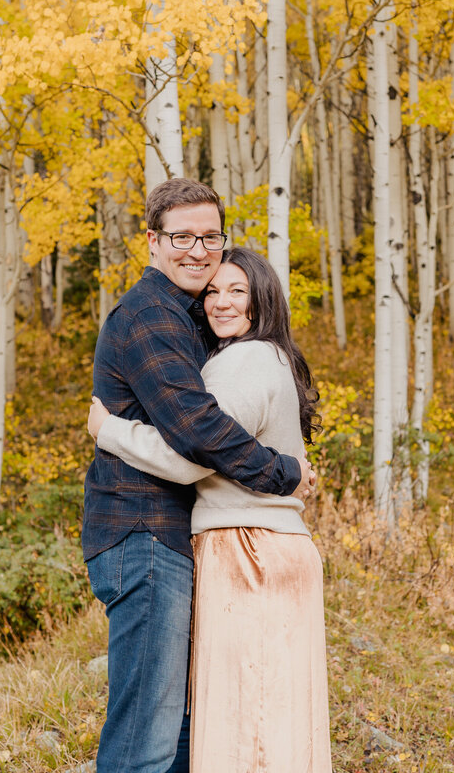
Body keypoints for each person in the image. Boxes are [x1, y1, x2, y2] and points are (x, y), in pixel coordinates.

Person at [83, 179, 315, 773]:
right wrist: (283, 473)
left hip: (174, 537)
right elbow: (196, 434)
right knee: (148, 737)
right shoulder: (153, 318)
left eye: (209, 236)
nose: (196, 249)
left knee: (186, 731)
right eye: (181, 236)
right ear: (153, 242)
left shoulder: (198, 328)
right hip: (144, 534)